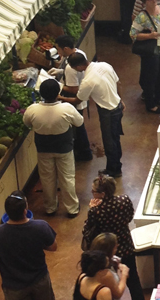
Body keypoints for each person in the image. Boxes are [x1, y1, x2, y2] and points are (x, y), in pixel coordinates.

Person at [82, 174, 147, 300]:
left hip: (105, 252)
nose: (92, 194)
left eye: (93, 191)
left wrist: (90, 210)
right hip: (125, 246)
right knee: (134, 284)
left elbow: (87, 232)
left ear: (102, 194)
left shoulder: (96, 211)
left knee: (108, 285)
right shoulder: (124, 200)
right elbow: (129, 217)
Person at [23, 79, 84, 218]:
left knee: (47, 178)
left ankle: (50, 207)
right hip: (64, 148)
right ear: (58, 93)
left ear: (41, 93)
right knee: (67, 177)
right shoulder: (66, 108)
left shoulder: (33, 109)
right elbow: (79, 122)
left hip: (43, 148)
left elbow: (26, 123)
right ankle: (72, 208)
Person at [67, 53, 124, 176]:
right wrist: (121, 100)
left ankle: (113, 170)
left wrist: (60, 96)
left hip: (107, 112)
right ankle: (115, 166)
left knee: (109, 142)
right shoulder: (105, 65)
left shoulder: (88, 81)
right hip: (117, 106)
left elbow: (78, 100)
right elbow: (118, 83)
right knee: (115, 139)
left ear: (78, 67)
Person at [53, 34, 94, 161]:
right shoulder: (79, 53)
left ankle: (84, 152)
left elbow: (73, 89)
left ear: (65, 49)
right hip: (83, 98)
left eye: (58, 49)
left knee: (78, 128)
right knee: (79, 124)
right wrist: (60, 71)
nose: (58, 52)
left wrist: (59, 86)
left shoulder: (70, 68)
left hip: (75, 100)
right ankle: (84, 151)